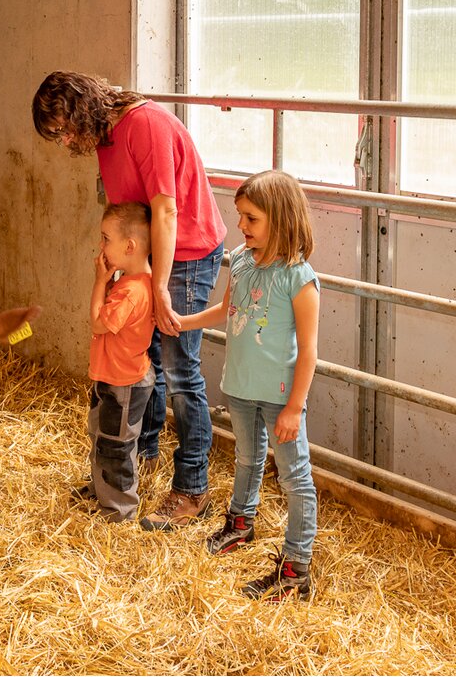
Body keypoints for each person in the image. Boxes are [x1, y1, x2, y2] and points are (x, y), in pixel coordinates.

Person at [33, 71, 227, 531]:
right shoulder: (105, 137)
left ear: (81, 109)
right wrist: (122, 267)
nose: (64, 142)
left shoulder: (145, 125)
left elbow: (166, 210)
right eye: (56, 135)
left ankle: (192, 487)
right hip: (151, 254)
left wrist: (159, 285)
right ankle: (134, 465)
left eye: (62, 129)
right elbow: (129, 215)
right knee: (145, 360)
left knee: (180, 368)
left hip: (188, 249)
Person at [178, 170, 319, 601]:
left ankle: (297, 568)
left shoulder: (300, 279)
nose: (241, 225)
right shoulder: (239, 260)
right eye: (241, 216)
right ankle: (241, 523)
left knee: (295, 478)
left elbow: (309, 351)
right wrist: (183, 322)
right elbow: (226, 309)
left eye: (251, 218)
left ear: (281, 219)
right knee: (245, 458)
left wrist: (295, 407)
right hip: (239, 386)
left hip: (279, 396)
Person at [76, 202, 156, 523]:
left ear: (130, 246)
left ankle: (120, 511)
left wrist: (99, 281)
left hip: (123, 383)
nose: (101, 246)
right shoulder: (130, 283)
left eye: (106, 238)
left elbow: (97, 323)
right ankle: (102, 487)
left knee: (116, 445)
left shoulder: (132, 292)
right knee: (101, 434)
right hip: (114, 376)